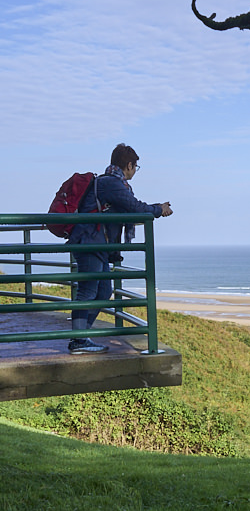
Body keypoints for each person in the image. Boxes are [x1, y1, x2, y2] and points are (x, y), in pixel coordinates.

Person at [67, 143, 173, 354]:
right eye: (136, 167)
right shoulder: (111, 183)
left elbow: (131, 205)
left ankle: (82, 337)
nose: (135, 171)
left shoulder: (111, 183)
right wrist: (158, 210)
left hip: (98, 244)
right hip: (90, 242)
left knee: (104, 291)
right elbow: (134, 207)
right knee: (88, 291)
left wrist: (155, 207)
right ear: (129, 164)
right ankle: (78, 340)